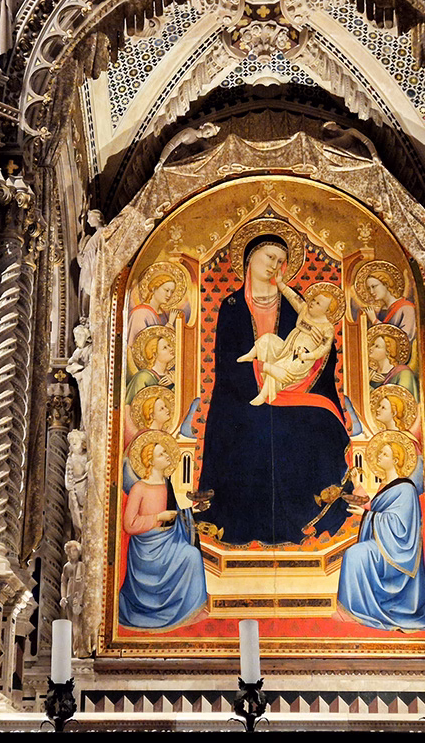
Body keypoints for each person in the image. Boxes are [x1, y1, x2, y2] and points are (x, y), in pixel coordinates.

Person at [197, 220, 351, 546]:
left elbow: (324, 355)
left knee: (315, 422)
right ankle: (239, 528)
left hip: (296, 390)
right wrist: (263, 372)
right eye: (269, 257)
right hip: (242, 395)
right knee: (247, 428)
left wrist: (293, 379)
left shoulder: (298, 306)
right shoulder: (232, 307)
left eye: (280, 261)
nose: (274, 265)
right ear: (250, 258)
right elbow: (226, 363)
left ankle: (309, 523)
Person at [336, 431, 425, 631]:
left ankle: (358, 610)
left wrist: (368, 515)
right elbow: (374, 507)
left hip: (397, 553)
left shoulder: (406, 488)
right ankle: (355, 610)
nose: (379, 456)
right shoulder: (386, 486)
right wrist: (358, 488)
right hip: (385, 545)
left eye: (384, 454)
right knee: (354, 554)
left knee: (354, 555)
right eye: (380, 453)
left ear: (396, 460)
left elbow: (400, 526)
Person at [118, 432, 208, 629]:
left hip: (169, 542)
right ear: (150, 461)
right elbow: (129, 525)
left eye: (166, 452)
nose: (167, 456)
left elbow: (176, 513)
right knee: (191, 555)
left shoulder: (167, 483)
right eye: (161, 454)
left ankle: (188, 609)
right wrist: (157, 518)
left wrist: (194, 510)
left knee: (192, 555)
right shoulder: (139, 488)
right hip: (146, 550)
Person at [237, 278, 343, 405]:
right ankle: (250, 356)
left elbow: (324, 348)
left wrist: (308, 356)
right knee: (268, 338)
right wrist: (281, 284)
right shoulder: (304, 310)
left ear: (327, 311)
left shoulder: (327, 328)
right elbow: (293, 298)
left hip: (300, 358)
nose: (312, 303)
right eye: (314, 300)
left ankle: (263, 396)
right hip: (286, 348)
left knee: (277, 369)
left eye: (318, 303)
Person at [354, 260, 416, 341]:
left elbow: (402, 340)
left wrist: (375, 321)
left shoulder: (406, 308)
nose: (371, 292)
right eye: (369, 288)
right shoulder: (383, 310)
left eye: (374, 286)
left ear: (386, 284)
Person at [125, 326, 175, 404]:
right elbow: (130, 406)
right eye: (165, 348)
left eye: (169, 345)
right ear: (154, 354)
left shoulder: (174, 376)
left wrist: (176, 383)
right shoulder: (143, 377)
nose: (171, 349)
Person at [367, 324, 418, 398]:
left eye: (377, 346)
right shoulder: (371, 374)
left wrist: (367, 386)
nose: (370, 348)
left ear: (388, 351)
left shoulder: (403, 373)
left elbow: (397, 402)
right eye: (372, 345)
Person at [60, 540, 85, 653]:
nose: (72, 553)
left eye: (74, 550)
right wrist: (63, 597)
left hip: (78, 597)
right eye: (70, 550)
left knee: (77, 622)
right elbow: (63, 582)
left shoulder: (81, 565)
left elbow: (84, 582)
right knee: (71, 622)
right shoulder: (67, 566)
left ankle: (78, 648)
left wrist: (80, 597)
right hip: (69, 597)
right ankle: (73, 648)